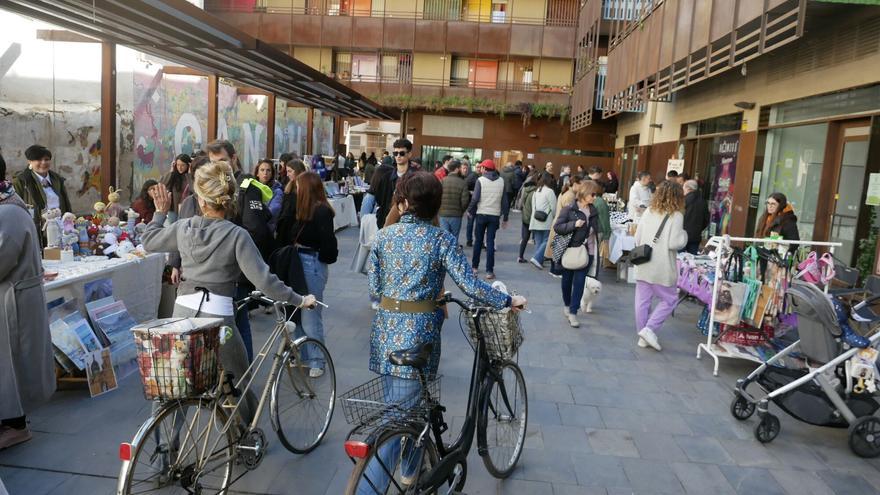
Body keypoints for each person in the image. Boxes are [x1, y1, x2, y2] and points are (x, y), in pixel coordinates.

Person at [360, 171, 525, 493]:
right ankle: (370, 488)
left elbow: (376, 287)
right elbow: (469, 285)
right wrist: (507, 300)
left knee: (405, 408)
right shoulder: (441, 240)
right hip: (420, 334)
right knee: (399, 418)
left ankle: (410, 471)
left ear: (403, 202)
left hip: (385, 334)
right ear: (435, 205)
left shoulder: (383, 237)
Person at [142, 161, 317, 424]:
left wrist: (160, 212)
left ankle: (166, 445)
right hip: (219, 318)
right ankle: (245, 434)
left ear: (201, 200)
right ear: (230, 199)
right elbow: (265, 282)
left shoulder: (184, 227)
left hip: (182, 313)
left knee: (177, 385)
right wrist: (298, 299)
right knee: (239, 380)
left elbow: (149, 240)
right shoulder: (237, 235)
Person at [0, 152, 55, 450]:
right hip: (13, 296)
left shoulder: (7, 212)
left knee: (13, 365)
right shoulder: (7, 203)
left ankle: (16, 424)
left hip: (13, 301)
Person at [285, 172, 338, 377]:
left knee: (310, 316)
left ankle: (317, 359)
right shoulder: (303, 208)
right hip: (300, 261)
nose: (296, 190)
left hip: (312, 262)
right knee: (297, 312)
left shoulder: (321, 211)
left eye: (299, 186)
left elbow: (328, 245)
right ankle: (304, 356)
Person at [633, 181, 688, 351]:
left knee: (642, 301)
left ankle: (642, 334)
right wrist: (685, 235)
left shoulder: (649, 210)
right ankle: (649, 329)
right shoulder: (677, 215)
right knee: (670, 300)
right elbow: (675, 243)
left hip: (644, 263)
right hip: (662, 266)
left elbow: (637, 236)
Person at [553, 181, 602, 328]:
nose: (595, 197)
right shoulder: (570, 209)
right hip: (570, 251)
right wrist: (574, 225)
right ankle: (567, 305)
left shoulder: (594, 211)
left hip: (588, 251)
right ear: (584, 193)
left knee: (580, 283)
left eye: (596, 194)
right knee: (567, 282)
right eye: (592, 194)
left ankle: (573, 312)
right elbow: (558, 227)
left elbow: (596, 229)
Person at [12, 145, 72, 244]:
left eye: (46, 159)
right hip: (36, 232)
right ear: (29, 161)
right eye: (38, 159)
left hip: (60, 230)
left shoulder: (57, 179)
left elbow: (66, 205)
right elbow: (15, 209)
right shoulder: (22, 181)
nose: (43, 163)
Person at [467, 159, 509, 280]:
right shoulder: (501, 181)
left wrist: (470, 210)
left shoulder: (480, 180)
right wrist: (505, 218)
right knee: (490, 242)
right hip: (494, 216)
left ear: (485, 169)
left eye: (482, 168)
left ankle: (474, 267)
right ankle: (489, 271)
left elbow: (475, 198)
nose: (480, 170)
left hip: (481, 215)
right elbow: (505, 201)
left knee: (478, 241)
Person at [367, 138, 418, 229]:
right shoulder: (386, 177)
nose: (398, 156)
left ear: (409, 154)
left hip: (409, 225)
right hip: (387, 224)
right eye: (395, 153)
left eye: (402, 153)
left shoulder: (416, 177)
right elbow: (380, 200)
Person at [545, 175, 584, 279]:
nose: (582, 188)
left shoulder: (566, 192)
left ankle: (554, 270)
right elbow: (569, 213)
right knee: (560, 247)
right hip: (562, 225)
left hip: (558, 223)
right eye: (581, 185)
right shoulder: (570, 195)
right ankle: (556, 271)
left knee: (557, 247)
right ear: (575, 184)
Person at [528, 172, 557, 270]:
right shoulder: (550, 192)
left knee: (539, 241)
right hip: (546, 221)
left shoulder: (537, 191)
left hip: (535, 220)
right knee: (547, 240)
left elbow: (533, 206)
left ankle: (538, 260)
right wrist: (554, 218)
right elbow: (553, 208)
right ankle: (537, 258)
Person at [277, 159, 308, 246]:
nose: (287, 174)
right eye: (287, 171)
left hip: (295, 232)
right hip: (284, 229)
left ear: (297, 171)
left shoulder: (304, 190)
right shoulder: (288, 188)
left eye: (290, 171)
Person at [438, 159, 469, 244]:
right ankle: (452, 255)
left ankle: (444, 256)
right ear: (456, 169)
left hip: (443, 214)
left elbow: (437, 196)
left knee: (444, 238)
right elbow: (465, 201)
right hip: (456, 215)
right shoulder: (462, 183)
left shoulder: (443, 181)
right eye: (459, 168)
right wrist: (460, 210)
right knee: (454, 238)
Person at [160, 153, 192, 221]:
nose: (180, 167)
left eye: (183, 165)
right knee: (173, 229)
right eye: (178, 165)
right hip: (173, 210)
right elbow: (163, 184)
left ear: (188, 165)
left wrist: (189, 175)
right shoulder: (173, 176)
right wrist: (171, 171)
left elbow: (193, 189)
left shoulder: (191, 177)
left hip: (187, 209)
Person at [682, 180, 709, 255]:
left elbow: (678, 217)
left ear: (688, 188)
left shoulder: (683, 200)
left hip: (682, 235)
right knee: (692, 261)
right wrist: (699, 228)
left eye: (683, 188)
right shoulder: (703, 201)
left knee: (679, 261)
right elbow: (706, 220)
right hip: (696, 236)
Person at [255, 158, 283, 231]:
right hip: (252, 229)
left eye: (268, 170)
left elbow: (272, 212)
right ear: (257, 173)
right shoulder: (252, 188)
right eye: (262, 170)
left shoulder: (277, 191)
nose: (265, 173)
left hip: (267, 230)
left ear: (272, 174)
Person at [517, 171, 538, 263]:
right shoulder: (535, 192)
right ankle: (537, 257)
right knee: (538, 238)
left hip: (525, 216)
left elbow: (521, 203)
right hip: (532, 217)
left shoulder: (524, 189)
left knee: (525, 238)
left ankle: (520, 256)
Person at [463, 160, 479, 247]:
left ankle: (477, 240)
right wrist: (470, 192)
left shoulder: (482, 176)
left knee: (478, 225)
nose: (478, 169)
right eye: (477, 167)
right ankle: (469, 240)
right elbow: (465, 188)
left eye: (480, 167)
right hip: (472, 204)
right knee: (470, 223)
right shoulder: (472, 176)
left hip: (480, 205)